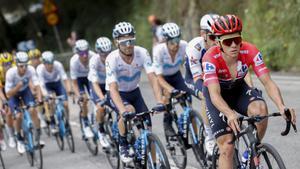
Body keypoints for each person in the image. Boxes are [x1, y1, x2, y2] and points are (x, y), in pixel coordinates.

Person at [202, 14, 296, 169]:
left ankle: (250, 153)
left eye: (237, 40)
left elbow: (268, 82)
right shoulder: (210, 58)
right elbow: (214, 94)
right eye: (227, 41)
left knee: (260, 109)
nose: (233, 45)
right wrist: (229, 113)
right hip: (218, 96)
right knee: (227, 147)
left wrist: (281, 106)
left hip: (238, 90)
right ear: (218, 43)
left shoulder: (250, 50)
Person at [106, 21, 163, 163]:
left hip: (134, 92)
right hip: (117, 94)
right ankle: (123, 143)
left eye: (131, 41)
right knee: (128, 110)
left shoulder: (142, 52)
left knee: (148, 129)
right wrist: (122, 111)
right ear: (117, 42)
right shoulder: (112, 58)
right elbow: (113, 88)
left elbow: (153, 78)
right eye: (124, 42)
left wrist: (159, 101)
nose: (128, 45)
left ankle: (154, 163)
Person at [152, 22, 193, 137]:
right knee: (167, 97)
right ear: (165, 41)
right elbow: (158, 77)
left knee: (187, 97)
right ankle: (167, 123)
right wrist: (171, 89)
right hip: (163, 78)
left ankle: (190, 120)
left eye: (177, 40)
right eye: (172, 42)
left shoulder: (184, 45)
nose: (176, 44)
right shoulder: (158, 50)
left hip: (176, 75)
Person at [5, 52, 43, 154]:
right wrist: (18, 86)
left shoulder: (30, 69)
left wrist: (39, 98)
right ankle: (19, 139)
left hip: (26, 92)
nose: (24, 68)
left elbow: (37, 84)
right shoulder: (10, 73)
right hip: (14, 94)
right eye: (21, 66)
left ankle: (37, 134)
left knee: (32, 109)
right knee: (18, 116)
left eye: (26, 65)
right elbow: (8, 94)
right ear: (17, 65)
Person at [36, 51, 71, 134]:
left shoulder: (58, 65)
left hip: (57, 83)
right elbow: (41, 85)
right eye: (48, 64)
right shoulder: (40, 69)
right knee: (50, 102)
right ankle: (52, 122)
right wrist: (46, 95)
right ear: (44, 63)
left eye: (51, 63)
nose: (50, 65)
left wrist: (69, 90)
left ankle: (67, 121)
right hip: (47, 85)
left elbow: (65, 79)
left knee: (65, 104)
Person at [87, 37, 112, 148]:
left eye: (108, 53)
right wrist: (102, 98)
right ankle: (101, 131)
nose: (106, 57)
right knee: (101, 107)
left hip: (109, 84)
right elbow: (95, 83)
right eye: (103, 54)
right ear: (98, 53)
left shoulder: (114, 57)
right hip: (96, 85)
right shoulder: (94, 60)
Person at [70, 39, 95, 138]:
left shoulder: (92, 56)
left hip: (90, 78)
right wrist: (79, 95)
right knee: (83, 99)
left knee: (95, 98)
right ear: (77, 53)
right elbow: (74, 83)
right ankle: (85, 122)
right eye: (81, 53)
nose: (84, 55)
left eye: (86, 52)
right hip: (79, 80)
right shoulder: (74, 61)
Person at [0, 52, 16, 150]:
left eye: (9, 63)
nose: (7, 66)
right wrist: (4, 101)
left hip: (12, 89)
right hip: (3, 91)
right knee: (8, 112)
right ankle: (11, 136)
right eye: (4, 64)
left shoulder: (14, 69)